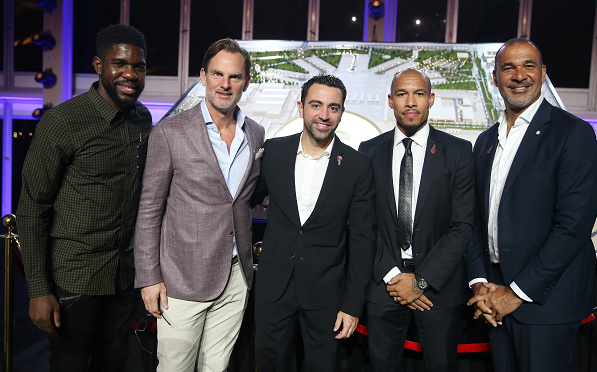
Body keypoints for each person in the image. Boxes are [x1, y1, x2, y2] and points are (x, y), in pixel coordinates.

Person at [16, 24, 150, 371]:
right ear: (98, 65)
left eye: (139, 66)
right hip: (75, 280)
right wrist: (38, 290)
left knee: (116, 363)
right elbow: (32, 210)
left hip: (123, 279)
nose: (130, 74)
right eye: (119, 63)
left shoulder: (142, 118)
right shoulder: (62, 122)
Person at [466, 38, 597, 372]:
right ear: (495, 77)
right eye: (508, 67)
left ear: (542, 73)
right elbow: (474, 219)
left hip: (545, 303)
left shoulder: (573, 133)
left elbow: (573, 226)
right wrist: (480, 281)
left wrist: (517, 292)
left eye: (528, 66)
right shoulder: (485, 141)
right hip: (494, 297)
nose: (518, 75)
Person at [133, 38, 264, 372]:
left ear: (246, 83)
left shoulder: (256, 134)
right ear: (203, 75)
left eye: (235, 77)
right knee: (175, 367)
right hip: (181, 279)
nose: (225, 84)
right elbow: (149, 209)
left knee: (217, 367)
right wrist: (149, 277)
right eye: (218, 74)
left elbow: (245, 197)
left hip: (236, 276)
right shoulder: (170, 133)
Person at [252, 74, 376, 371]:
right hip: (273, 287)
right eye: (316, 105)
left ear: (342, 112)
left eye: (333, 108)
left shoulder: (358, 166)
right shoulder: (274, 152)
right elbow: (247, 198)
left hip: (326, 292)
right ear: (301, 106)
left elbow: (363, 240)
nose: (324, 115)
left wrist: (352, 304)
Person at [358, 69, 475, 372]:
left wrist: (421, 281)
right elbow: (364, 225)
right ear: (390, 101)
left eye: (419, 94)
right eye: (402, 94)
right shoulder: (368, 151)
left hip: (438, 291)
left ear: (431, 99)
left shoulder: (459, 152)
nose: (410, 102)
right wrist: (393, 277)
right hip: (385, 287)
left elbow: (462, 226)